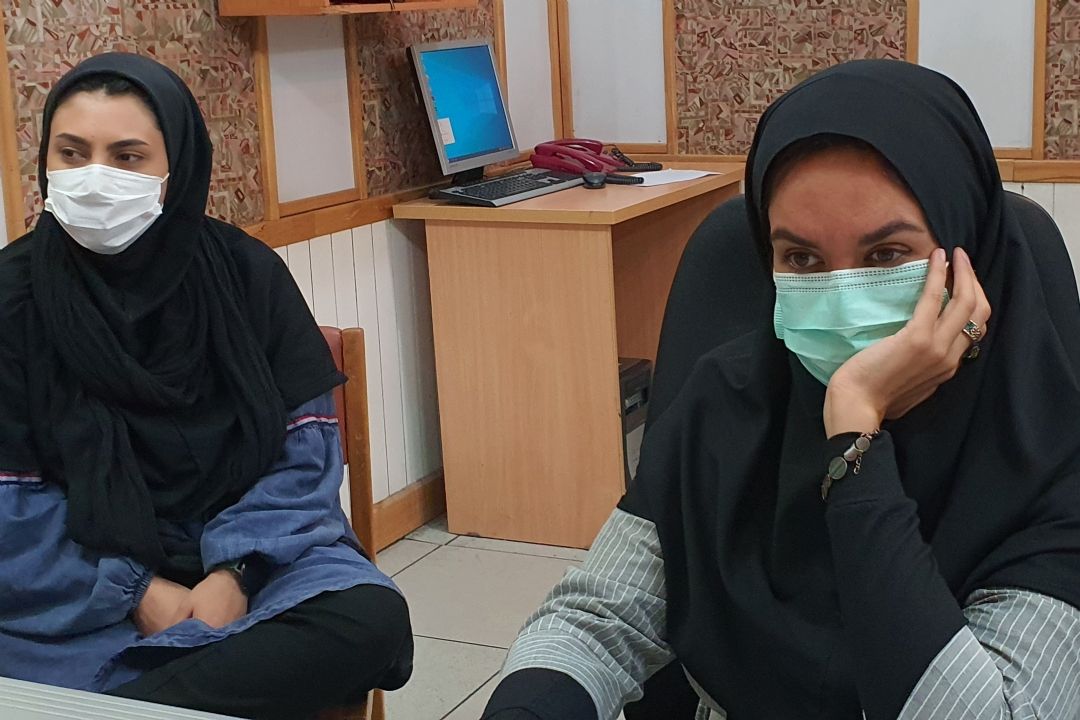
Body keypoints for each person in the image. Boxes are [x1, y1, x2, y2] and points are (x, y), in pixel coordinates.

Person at [481, 60, 1080, 720]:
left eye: (886, 255)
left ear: (971, 254)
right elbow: (598, 618)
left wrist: (855, 441)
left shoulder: (1049, 461)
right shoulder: (729, 400)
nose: (842, 298)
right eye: (802, 259)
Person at [0, 53, 413, 719]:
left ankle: (128, 708)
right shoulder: (11, 300)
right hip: (76, 587)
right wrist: (136, 591)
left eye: (127, 157)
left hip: (257, 563)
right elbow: (10, 513)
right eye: (71, 153)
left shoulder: (245, 275)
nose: (95, 178)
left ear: (180, 167)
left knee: (370, 619)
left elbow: (301, 460)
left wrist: (236, 573)